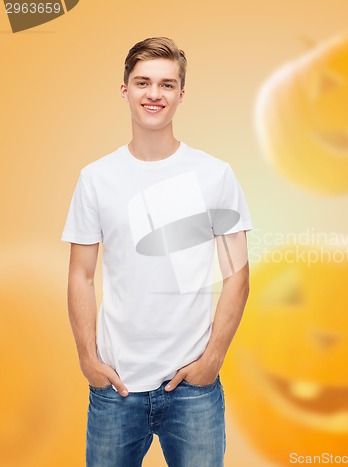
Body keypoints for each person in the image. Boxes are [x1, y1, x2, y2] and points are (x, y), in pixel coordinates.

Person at [62, 37, 252, 467]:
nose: (154, 94)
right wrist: (88, 360)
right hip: (115, 386)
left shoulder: (214, 175)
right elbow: (81, 275)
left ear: (181, 94)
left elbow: (237, 274)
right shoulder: (96, 178)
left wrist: (213, 360)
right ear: (124, 89)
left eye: (167, 84)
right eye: (143, 82)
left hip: (193, 389)